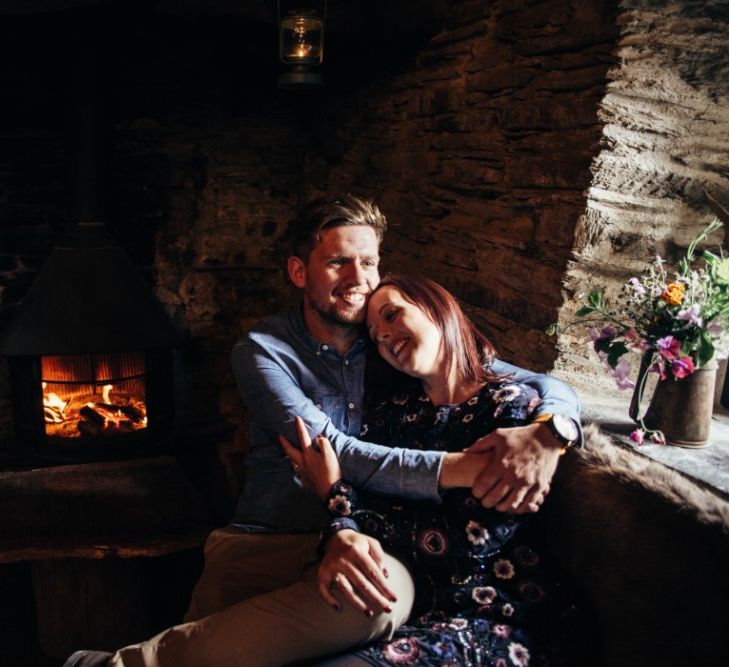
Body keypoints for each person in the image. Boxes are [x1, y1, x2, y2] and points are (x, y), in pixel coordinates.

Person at [64, 195, 581, 666]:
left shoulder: (392, 346)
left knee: (369, 608)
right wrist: (465, 469)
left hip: (375, 539)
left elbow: (525, 379)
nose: (359, 277)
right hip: (267, 538)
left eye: (370, 262)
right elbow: (333, 451)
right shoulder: (262, 351)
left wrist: (551, 430)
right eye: (338, 261)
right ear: (298, 271)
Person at [282, 274, 584, 666]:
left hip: (504, 616)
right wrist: (346, 517)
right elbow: (367, 509)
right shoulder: (395, 414)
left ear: (438, 310)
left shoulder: (510, 410)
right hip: (419, 608)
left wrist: (335, 497)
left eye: (392, 316)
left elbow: (462, 544)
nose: (385, 337)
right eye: (375, 335)